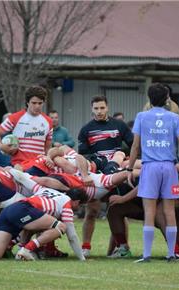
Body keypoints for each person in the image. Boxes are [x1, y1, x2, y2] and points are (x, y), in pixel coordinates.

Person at [126, 83, 179, 262]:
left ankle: (147, 255)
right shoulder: (174, 117)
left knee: (150, 212)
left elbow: (135, 145)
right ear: (167, 99)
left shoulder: (141, 116)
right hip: (169, 167)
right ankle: (171, 253)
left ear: (149, 98)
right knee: (169, 211)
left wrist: (129, 168)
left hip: (150, 167)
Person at [77, 95, 134, 257]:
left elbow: (134, 145)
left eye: (102, 108)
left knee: (118, 211)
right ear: (91, 109)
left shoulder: (119, 125)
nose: (99, 111)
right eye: (96, 108)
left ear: (107, 108)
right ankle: (86, 248)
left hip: (116, 173)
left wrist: (125, 156)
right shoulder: (86, 129)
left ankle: (121, 248)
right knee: (91, 211)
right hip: (97, 174)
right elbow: (84, 155)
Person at [0, 85, 54, 171]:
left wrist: (49, 158)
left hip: (38, 165)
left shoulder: (48, 121)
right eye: (34, 103)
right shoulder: (15, 118)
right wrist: (1, 146)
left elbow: (47, 148)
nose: (37, 106)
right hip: (19, 164)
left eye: (40, 103)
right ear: (27, 102)